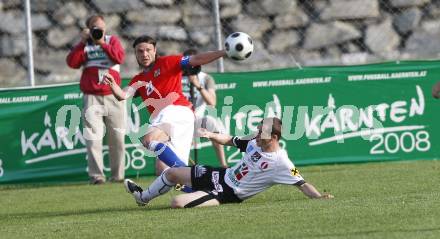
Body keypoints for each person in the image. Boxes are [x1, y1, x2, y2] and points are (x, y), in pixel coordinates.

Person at [123, 117, 334, 209]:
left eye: (263, 133)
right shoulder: (254, 142)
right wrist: (210, 134)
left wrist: (319, 197)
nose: (258, 135)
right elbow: (230, 140)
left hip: (227, 193)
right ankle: (142, 198)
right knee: (172, 173)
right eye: (259, 130)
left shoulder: (282, 162)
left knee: (177, 203)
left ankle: (192, 192)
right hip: (220, 176)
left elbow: (302, 182)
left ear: (276, 138)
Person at [103, 35, 228, 176]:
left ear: (155, 50)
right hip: (167, 123)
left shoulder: (169, 62)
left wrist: (224, 52)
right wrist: (113, 85)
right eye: (140, 51)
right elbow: (122, 95)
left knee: (150, 139)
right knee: (164, 172)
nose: (145, 54)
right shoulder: (138, 80)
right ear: (135, 54)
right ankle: (198, 185)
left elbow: (197, 59)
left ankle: (223, 165)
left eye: (148, 50)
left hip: (179, 114)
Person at [66, 15, 126, 184]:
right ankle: (97, 176)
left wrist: (102, 44)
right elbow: (72, 63)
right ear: (88, 29)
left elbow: (119, 57)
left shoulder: (112, 40)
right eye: (95, 28)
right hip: (92, 96)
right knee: (93, 139)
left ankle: (118, 175)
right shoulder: (84, 45)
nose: (99, 31)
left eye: (101, 27)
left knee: (117, 138)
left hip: (113, 95)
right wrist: (82, 42)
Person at [181, 48, 227, 168]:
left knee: (212, 123)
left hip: (196, 119)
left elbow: (212, 102)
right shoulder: (176, 76)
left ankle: (223, 165)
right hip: (179, 120)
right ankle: (180, 170)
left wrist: (198, 86)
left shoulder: (206, 78)